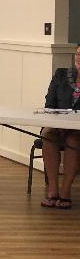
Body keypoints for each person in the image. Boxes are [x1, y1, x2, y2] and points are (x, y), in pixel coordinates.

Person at [39, 44, 80, 209]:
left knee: (73, 141)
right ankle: (52, 190)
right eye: (78, 54)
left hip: (77, 131)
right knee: (48, 136)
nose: (79, 59)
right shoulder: (61, 75)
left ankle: (66, 191)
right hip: (57, 125)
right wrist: (57, 122)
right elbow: (49, 104)